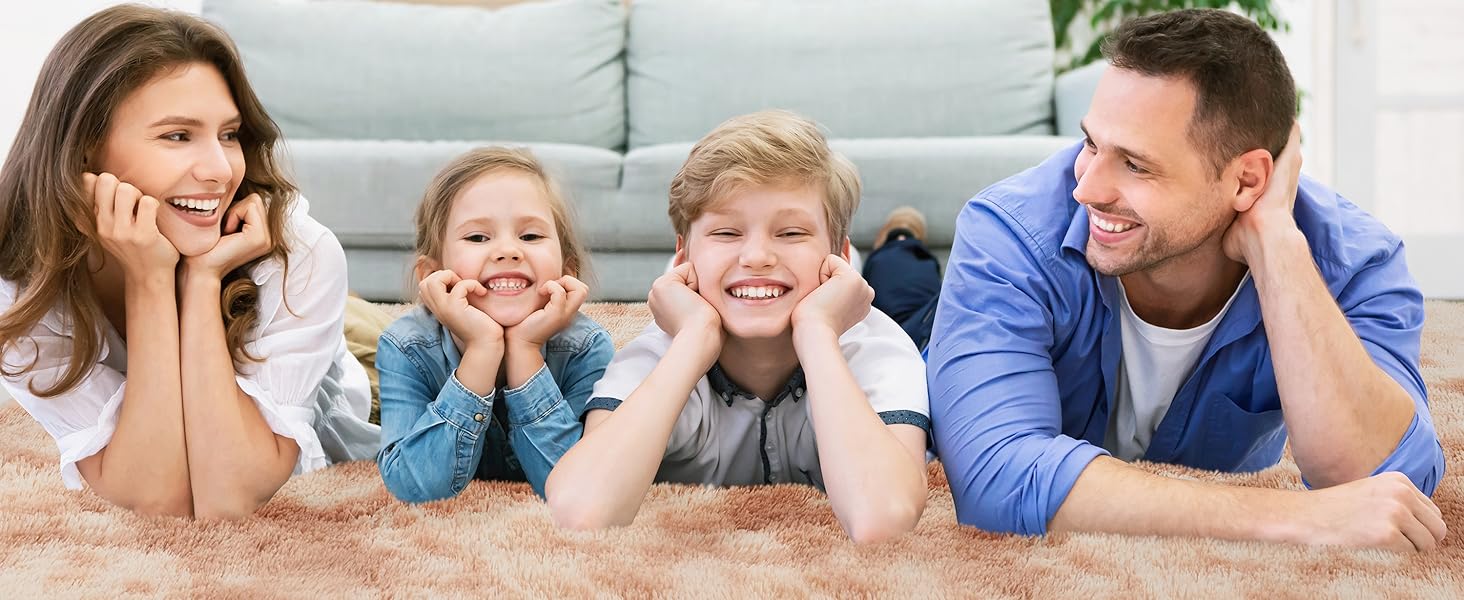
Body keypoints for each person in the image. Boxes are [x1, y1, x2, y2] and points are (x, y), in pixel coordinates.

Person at [928, 9, 1446, 552]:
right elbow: (995, 477)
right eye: (1090, 144)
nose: (1088, 189)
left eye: (1135, 164)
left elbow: (1391, 482)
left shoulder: (1355, 261)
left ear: (1248, 180)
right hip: (931, 315)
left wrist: (1276, 243)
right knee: (904, 297)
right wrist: (1294, 517)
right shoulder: (1008, 233)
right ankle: (899, 242)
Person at [0, 5, 378, 519]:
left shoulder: (298, 251)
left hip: (336, 373)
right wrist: (150, 279)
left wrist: (202, 280)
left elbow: (228, 498)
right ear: (85, 150)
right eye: (177, 136)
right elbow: (159, 498)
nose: (221, 171)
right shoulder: (20, 280)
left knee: (396, 345)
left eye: (229, 134)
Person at [545, 110, 930, 543]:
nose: (757, 255)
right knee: (739, 276)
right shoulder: (657, 354)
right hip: (743, 286)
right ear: (682, 257)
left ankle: (898, 237)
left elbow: (884, 519)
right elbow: (579, 509)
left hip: (867, 300)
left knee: (905, 279)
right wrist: (694, 338)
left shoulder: (877, 347)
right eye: (727, 232)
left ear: (835, 256)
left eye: (791, 232)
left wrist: (818, 330)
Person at [375, 147, 613, 501]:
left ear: (567, 270)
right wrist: (483, 349)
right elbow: (414, 487)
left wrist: (526, 349)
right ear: (433, 275)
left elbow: (580, 490)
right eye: (477, 238)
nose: (507, 251)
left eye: (530, 236)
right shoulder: (406, 348)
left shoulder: (585, 347)